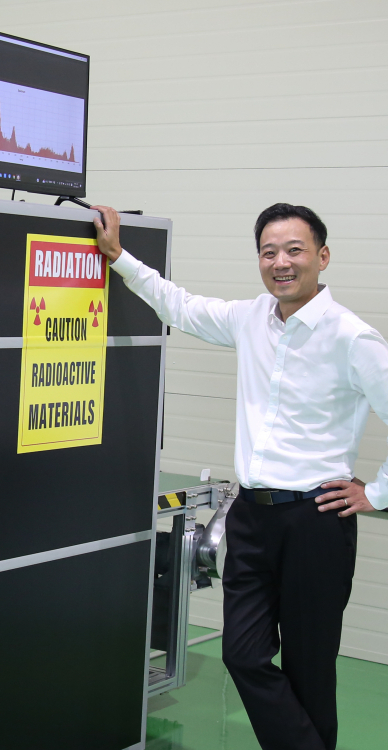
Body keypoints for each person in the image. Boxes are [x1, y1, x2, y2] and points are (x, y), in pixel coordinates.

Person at [92, 203, 388, 750]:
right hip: (251, 516)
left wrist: (375, 494)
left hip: (315, 521)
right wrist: (119, 258)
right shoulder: (251, 318)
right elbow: (178, 306)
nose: (281, 262)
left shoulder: (352, 338)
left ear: (322, 257)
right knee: (242, 652)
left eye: (294, 250)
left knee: (309, 668)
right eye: (269, 252)